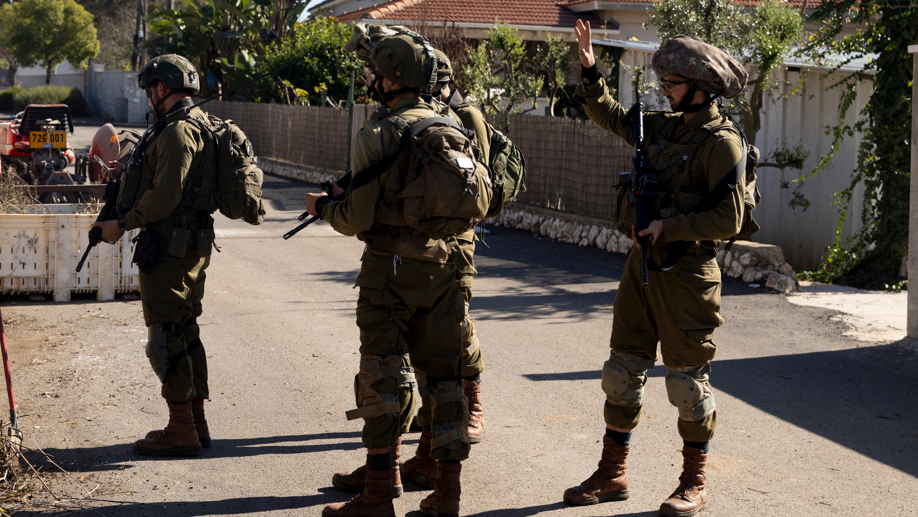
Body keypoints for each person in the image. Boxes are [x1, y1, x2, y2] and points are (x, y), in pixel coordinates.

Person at [562, 21, 748, 517]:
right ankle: (612, 473)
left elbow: (729, 218)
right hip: (639, 267)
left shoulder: (722, 142)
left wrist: (672, 225)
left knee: (686, 382)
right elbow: (610, 116)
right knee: (621, 372)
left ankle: (694, 481)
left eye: (673, 83)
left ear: (701, 88)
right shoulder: (662, 126)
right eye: (663, 83)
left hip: (687, 274)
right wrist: (590, 68)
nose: (664, 91)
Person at [304, 32, 473, 517]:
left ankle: (378, 495)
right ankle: (447, 497)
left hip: (389, 275)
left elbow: (356, 217)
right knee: (445, 381)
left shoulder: (378, 133)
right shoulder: (449, 127)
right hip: (444, 272)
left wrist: (323, 209)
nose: (369, 78)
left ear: (390, 76)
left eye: (373, 71)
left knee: (382, 377)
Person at [92, 54, 216, 457]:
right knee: (186, 329)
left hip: (169, 247)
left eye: (150, 89)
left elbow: (166, 195)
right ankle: (194, 423)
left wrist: (122, 223)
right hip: (187, 244)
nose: (149, 96)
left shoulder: (178, 131)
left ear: (162, 88)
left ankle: (181, 427)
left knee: (164, 336)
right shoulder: (196, 125)